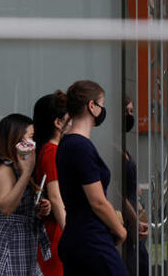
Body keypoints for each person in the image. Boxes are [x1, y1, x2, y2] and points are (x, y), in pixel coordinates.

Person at [56, 80, 127, 276]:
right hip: (91, 239)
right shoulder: (80, 146)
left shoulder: (67, 143)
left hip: (76, 237)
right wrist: (120, 231)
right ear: (92, 106)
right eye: (101, 104)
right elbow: (97, 201)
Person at [0, 113, 52, 276]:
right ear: (17, 140)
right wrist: (27, 172)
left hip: (24, 244)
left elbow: (20, 205)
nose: (34, 142)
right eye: (31, 137)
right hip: (10, 244)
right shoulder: (4, 168)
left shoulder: (17, 168)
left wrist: (41, 208)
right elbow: (6, 208)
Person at [32, 91, 69, 276]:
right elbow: (55, 197)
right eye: (69, 118)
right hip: (56, 232)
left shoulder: (53, 150)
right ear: (58, 122)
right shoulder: (51, 151)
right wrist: (71, 233)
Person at [122, 95, 149, 276]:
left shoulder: (123, 148)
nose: (130, 117)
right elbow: (119, 192)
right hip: (126, 221)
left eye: (132, 112)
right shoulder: (112, 147)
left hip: (134, 215)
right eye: (127, 112)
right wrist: (134, 219)